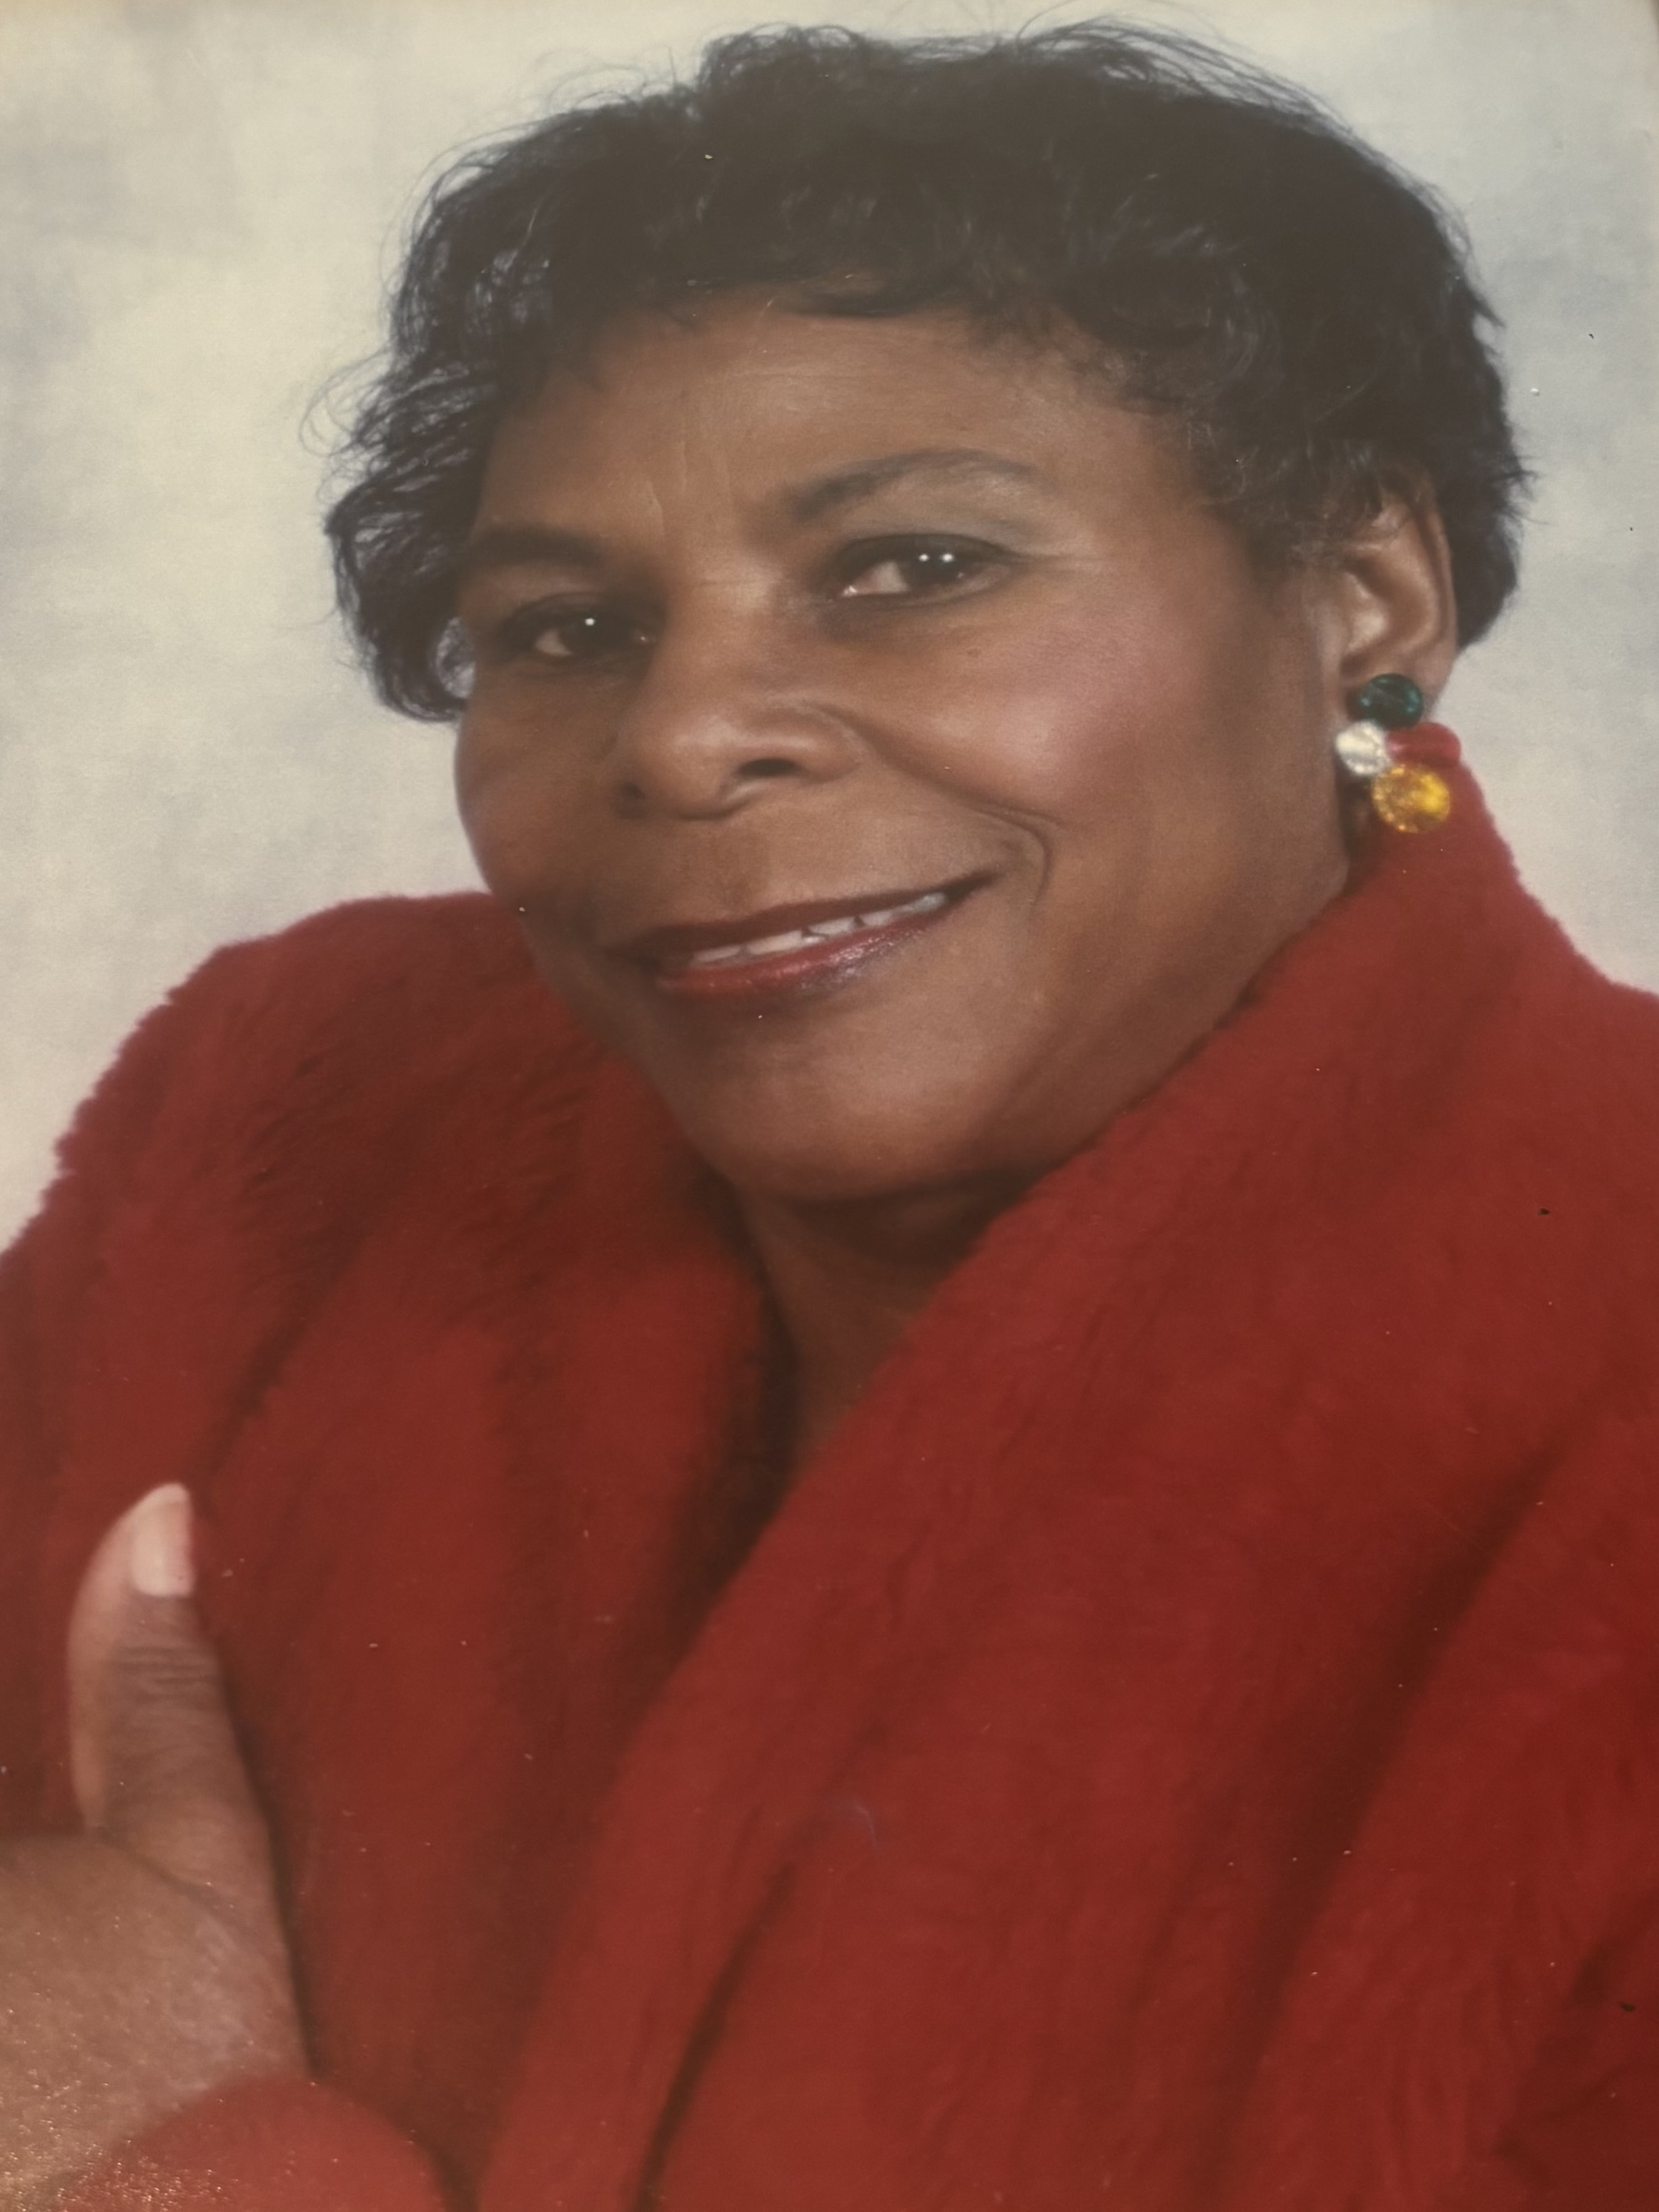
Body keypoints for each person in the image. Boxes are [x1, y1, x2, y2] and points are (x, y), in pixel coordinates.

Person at [1, 19, 1656, 2211]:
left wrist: (136, 2149)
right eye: (566, 625)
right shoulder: (299, 1120)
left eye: (912, 567)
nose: (683, 736)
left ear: (1366, 592)